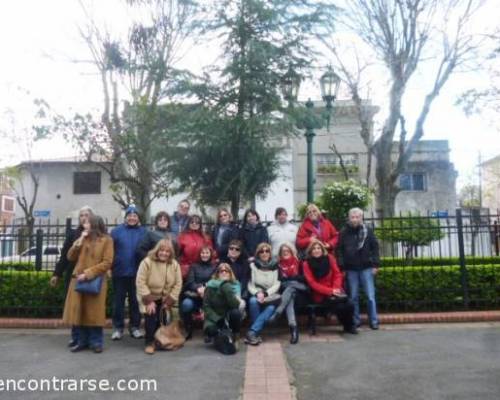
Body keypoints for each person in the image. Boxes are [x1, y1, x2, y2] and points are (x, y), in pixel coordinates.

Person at [62, 215, 113, 353]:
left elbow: (107, 262)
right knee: (80, 311)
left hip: (95, 280)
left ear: (94, 224)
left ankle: (96, 342)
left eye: (87, 223)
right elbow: (70, 257)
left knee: (94, 313)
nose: (84, 225)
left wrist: (88, 273)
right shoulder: (82, 239)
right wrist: (79, 241)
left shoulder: (107, 240)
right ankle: (81, 341)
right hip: (78, 279)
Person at [50, 205, 94, 347]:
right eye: (81, 215)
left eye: (87, 215)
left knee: (89, 308)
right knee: (75, 307)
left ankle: (88, 338)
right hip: (74, 275)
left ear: (92, 217)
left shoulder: (98, 234)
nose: (84, 218)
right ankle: (75, 337)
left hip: (91, 276)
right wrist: (57, 273)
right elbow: (64, 256)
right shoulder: (73, 234)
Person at [136, 239, 182, 355]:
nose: (164, 253)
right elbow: (140, 282)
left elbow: (178, 283)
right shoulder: (147, 262)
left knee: (161, 319)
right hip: (149, 295)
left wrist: (169, 301)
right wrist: (149, 301)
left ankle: (159, 340)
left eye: (167, 251)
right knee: (151, 315)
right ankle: (149, 342)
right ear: (157, 250)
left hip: (165, 298)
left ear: (170, 253)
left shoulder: (174, 264)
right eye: (162, 250)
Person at [337, 208, 381, 330]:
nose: (355, 219)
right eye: (353, 217)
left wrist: (376, 264)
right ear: (349, 217)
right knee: (353, 297)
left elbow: (375, 248)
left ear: (361, 218)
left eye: (357, 217)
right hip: (351, 269)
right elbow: (339, 250)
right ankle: (356, 320)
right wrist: (342, 267)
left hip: (366, 267)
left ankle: (374, 320)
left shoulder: (368, 230)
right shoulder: (344, 232)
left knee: (370, 296)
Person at [302, 239, 357, 334]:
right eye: (314, 248)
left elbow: (337, 274)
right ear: (310, 251)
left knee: (350, 304)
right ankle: (348, 326)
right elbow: (312, 283)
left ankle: (349, 326)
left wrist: (336, 289)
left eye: (318, 248)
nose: (316, 250)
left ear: (322, 249)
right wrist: (330, 291)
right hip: (320, 295)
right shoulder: (306, 264)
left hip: (336, 291)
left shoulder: (330, 258)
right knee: (340, 306)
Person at [110, 205, 147, 341]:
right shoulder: (116, 231)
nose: (132, 218)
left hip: (138, 273)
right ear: (125, 217)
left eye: (135, 216)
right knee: (118, 302)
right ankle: (118, 328)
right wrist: (109, 267)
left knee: (135, 302)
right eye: (129, 216)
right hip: (119, 272)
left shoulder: (144, 232)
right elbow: (110, 252)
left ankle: (135, 327)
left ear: (138, 218)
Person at [269, 242, 308, 344]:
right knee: (289, 296)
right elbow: (279, 281)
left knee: (290, 287)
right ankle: (293, 329)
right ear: (280, 254)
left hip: (301, 291)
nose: (285, 253)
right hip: (288, 292)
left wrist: (290, 279)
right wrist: (293, 279)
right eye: (283, 251)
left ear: (291, 251)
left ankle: (278, 311)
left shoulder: (299, 262)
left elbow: (304, 278)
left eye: (287, 251)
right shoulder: (278, 265)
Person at [244, 243, 280, 346]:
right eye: (261, 251)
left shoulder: (275, 266)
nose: (264, 253)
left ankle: (253, 332)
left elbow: (277, 284)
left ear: (270, 253)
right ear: (258, 254)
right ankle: (255, 333)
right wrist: (258, 292)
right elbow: (250, 283)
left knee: (270, 308)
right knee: (252, 301)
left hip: (271, 295)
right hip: (257, 293)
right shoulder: (253, 265)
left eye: (267, 251)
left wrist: (266, 293)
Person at [203, 263, 244, 352]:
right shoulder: (210, 287)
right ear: (217, 274)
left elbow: (235, 305)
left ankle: (235, 335)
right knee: (211, 330)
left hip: (228, 315)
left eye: (227, 271)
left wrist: (226, 288)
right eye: (221, 271)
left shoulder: (235, 284)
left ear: (230, 273)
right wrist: (217, 319)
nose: (224, 273)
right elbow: (206, 307)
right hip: (214, 316)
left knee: (236, 313)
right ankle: (220, 338)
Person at [181, 246, 217, 340]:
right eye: (202, 253)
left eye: (207, 253)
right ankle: (188, 329)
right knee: (186, 304)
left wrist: (205, 288)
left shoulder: (214, 267)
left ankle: (210, 331)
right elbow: (190, 282)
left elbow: (215, 281)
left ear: (210, 254)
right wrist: (198, 288)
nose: (204, 255)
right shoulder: (194, 266)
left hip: (209, 297)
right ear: (199, 254)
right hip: (194, 296)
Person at [178, 215, 214, 280]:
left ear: (200, 224)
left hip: (200, 270)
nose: (194, 224)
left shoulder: (206, 238)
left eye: (197, 222)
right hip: (185, 269)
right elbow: (177, 253)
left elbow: (211, 254)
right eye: (192, 222)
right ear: (188, 223)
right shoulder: (182, 236)